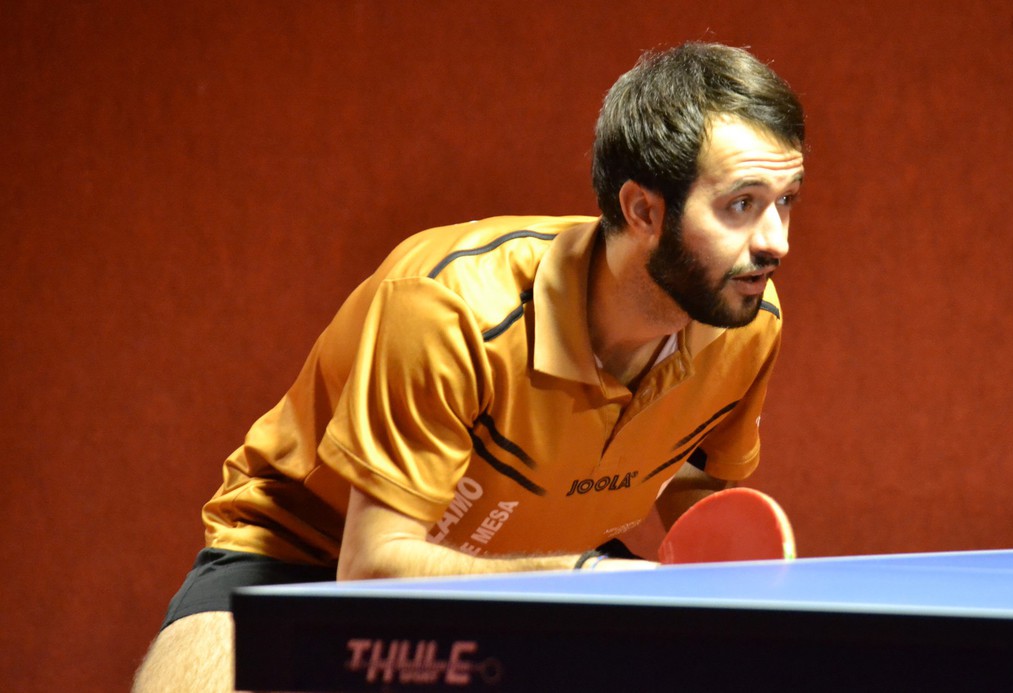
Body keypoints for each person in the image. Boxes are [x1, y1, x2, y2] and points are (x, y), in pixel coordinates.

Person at [133, 41, 805, 692]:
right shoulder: (449, 309)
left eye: (785, 201)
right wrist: (589, 581)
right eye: (741, 205)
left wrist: (711, 585)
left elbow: (695, 475)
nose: (776, 242)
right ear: (643, 210)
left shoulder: (744, 325)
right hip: (307, 554)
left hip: (547, 570)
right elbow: (369, 569)